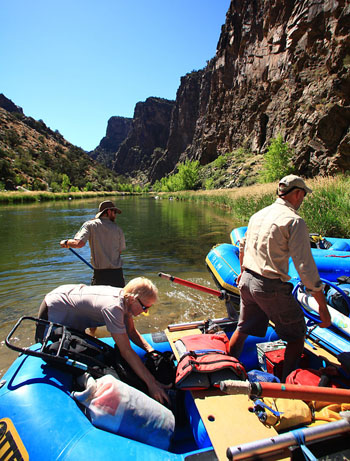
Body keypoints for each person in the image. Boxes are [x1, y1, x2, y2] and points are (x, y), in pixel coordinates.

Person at [229, 175, 331, 381]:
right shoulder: (294, 221)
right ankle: (287, 385)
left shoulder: (258, 215)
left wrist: (242, 273)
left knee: (242, 329)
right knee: (296, 336)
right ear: (297, 193)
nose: (302, 200)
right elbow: (305, 266)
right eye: (303, 195)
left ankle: (225, 371)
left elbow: (242, 247)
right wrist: (322, 306)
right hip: (270, 286)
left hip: (248, 280)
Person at [37, 277, 170, 405]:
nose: (145, 311)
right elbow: (126, 351)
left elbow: (131, 332)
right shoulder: (114, 307)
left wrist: (150, 350)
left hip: (72, 308)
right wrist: (151, 384)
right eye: (145, 308)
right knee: (43, 348)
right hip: (54, 307)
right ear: (132, 299)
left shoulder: (126, 301)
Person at [60, 200, 126, 288]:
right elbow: (119, 252)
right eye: (114, 212)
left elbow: (78, 244)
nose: (115, 215)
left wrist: (66, 242)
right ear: (109, 211)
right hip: (118, 276)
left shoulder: (90, 225)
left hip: (100, 275)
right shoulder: (118, 229)